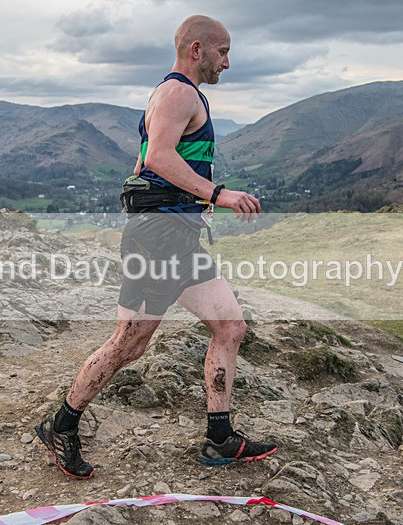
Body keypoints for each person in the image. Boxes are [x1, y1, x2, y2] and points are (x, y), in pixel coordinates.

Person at [35, 14, 277, 479]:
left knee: (230, 326)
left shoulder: (179, 94)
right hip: (157, 240)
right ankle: (61, 424)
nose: (228, 61)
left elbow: (145, 163)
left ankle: (220, 438)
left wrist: (187, 202)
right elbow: (159, 157)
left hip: (178, 237)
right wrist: (216, 194)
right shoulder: (179, 92)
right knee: (130, 343)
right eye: (222, 51)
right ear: (196, 49)